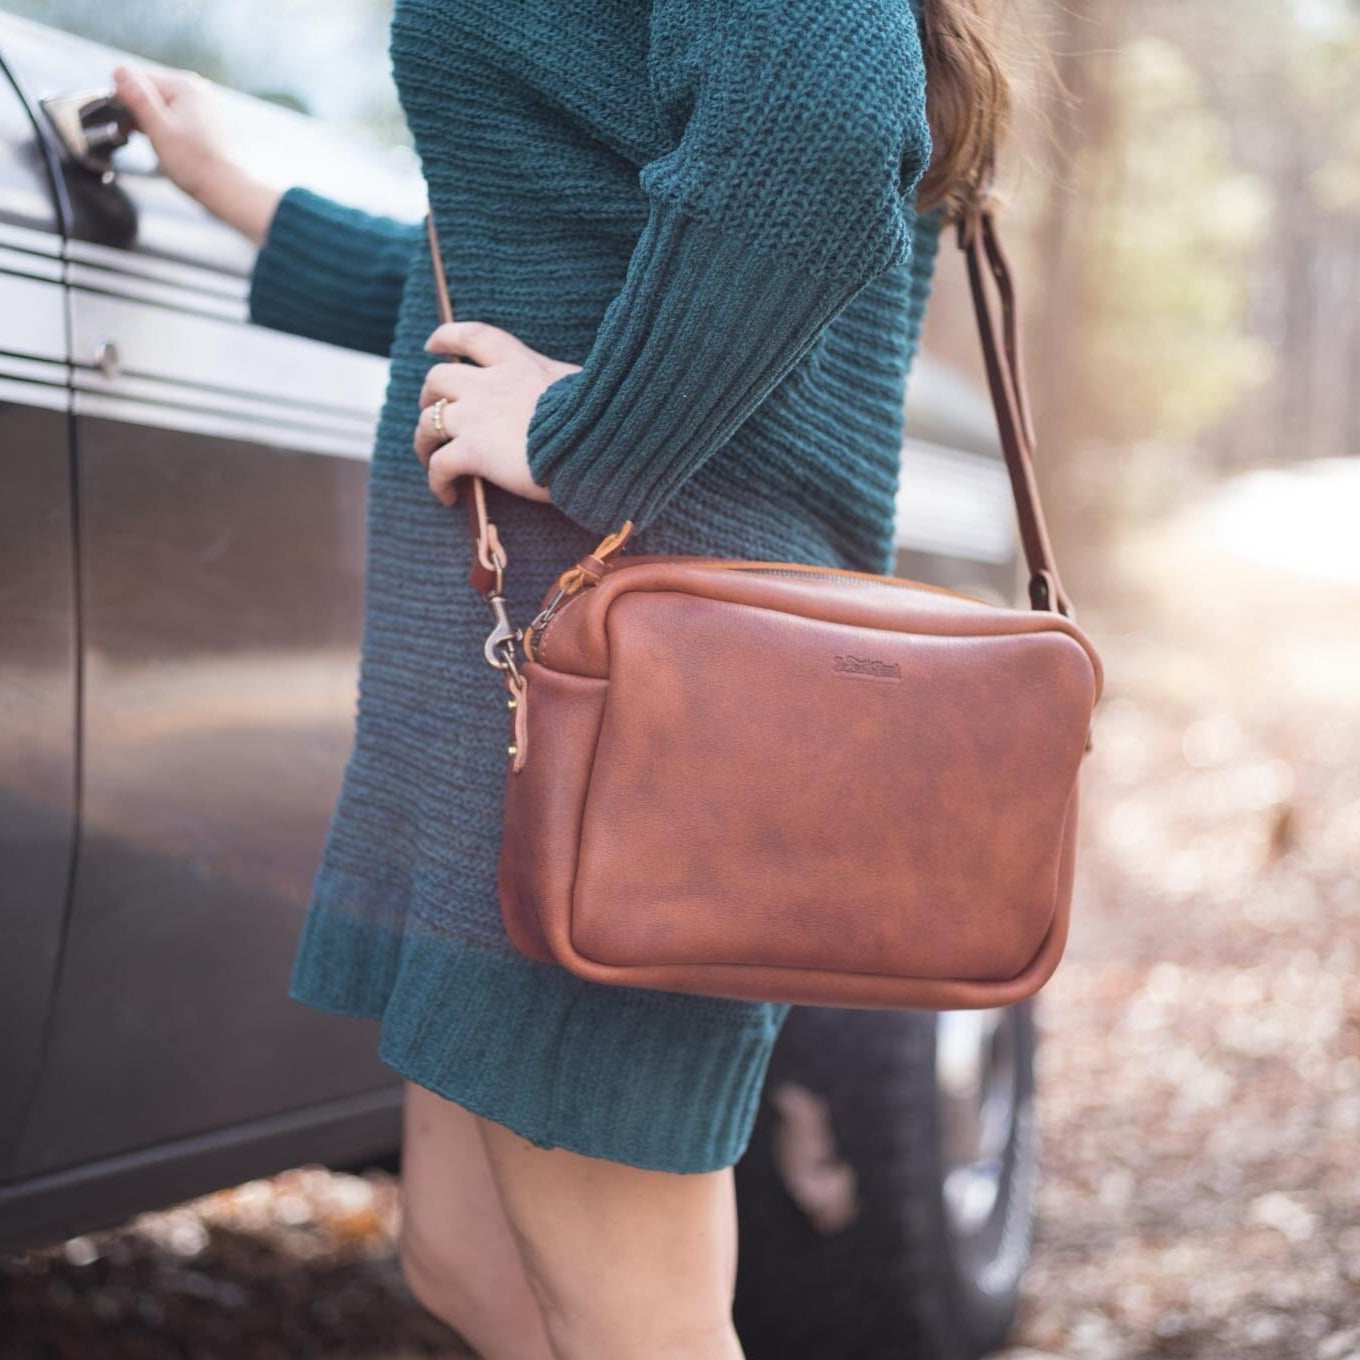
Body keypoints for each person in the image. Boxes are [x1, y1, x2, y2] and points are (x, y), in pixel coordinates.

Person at [114, 2, 1008, 1355]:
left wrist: (588, 437)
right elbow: (529, 264)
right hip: (540, 679)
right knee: (474, 1262)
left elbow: (818, 146)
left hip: (631, 697)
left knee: (628, 1310)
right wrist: (239, 193)